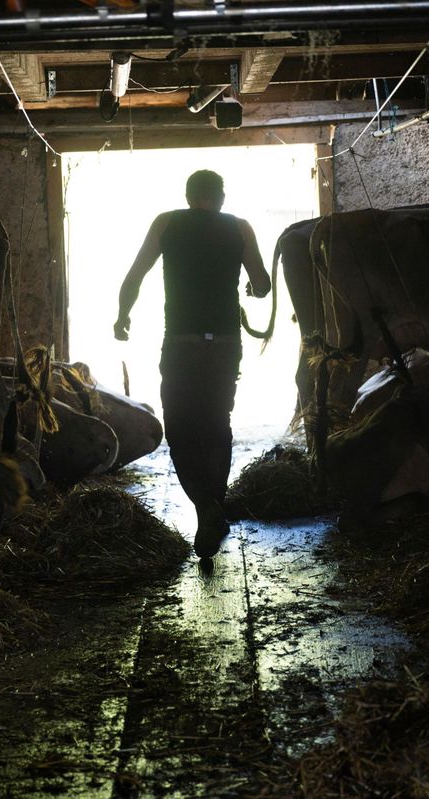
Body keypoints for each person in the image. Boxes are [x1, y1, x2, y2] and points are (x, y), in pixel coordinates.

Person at [113, 169, 271, 559]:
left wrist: (122, 317)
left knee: (181, 429)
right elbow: (263, 284)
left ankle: (205, 508)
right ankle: (212, 507)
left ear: (188, 196)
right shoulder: (241, 228)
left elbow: (134, 276)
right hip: (224, 344)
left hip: (181, 343)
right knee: (217, 424)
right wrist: (251, 287)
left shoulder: (167, 223)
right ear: (220, 197)